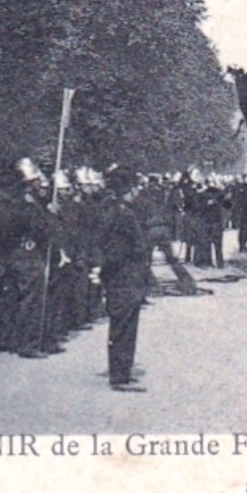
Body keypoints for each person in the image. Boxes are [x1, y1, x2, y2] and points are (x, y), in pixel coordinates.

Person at [100, 166, 153, 392]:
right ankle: (119, 375)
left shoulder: (118, 210)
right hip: (123, 277)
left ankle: (123, 370)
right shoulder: (121, 214)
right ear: (128, 189)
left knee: (127, 326)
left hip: (126, 277)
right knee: (123, 327)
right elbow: (121, 249)